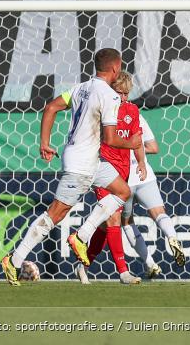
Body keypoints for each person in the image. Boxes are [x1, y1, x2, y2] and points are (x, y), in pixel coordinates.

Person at [2, 49, 144, 286]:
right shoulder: (108, 96)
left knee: (122, 191)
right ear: (115, 68)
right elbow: (110, 138)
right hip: (81, 164)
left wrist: (44, 143)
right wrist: (131, 142)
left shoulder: (81, 88)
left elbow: (50, 108)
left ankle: (82, 235)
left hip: (91, 160)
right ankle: (14, 261)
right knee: (54, 216)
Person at [75, 72, 146, 285]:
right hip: (103, 168)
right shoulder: (102, 108)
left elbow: (136, 140)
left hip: (123, 171)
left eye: (126, 94)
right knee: (114, 218)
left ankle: (83, 265)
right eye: (119, 93)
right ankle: (123, 272)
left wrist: (141, 162)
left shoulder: (132, 110)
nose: (123, 98)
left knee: (107, 226)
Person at [121, 112, 187, 277]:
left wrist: (125, 151)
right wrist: (138, 151)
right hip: (145, 174)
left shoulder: (108, 114)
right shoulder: (136, 115)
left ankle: (150, 264)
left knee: (127, 222)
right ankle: (172, 237)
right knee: (159, 213)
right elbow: (154, 147)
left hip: (123, 177)